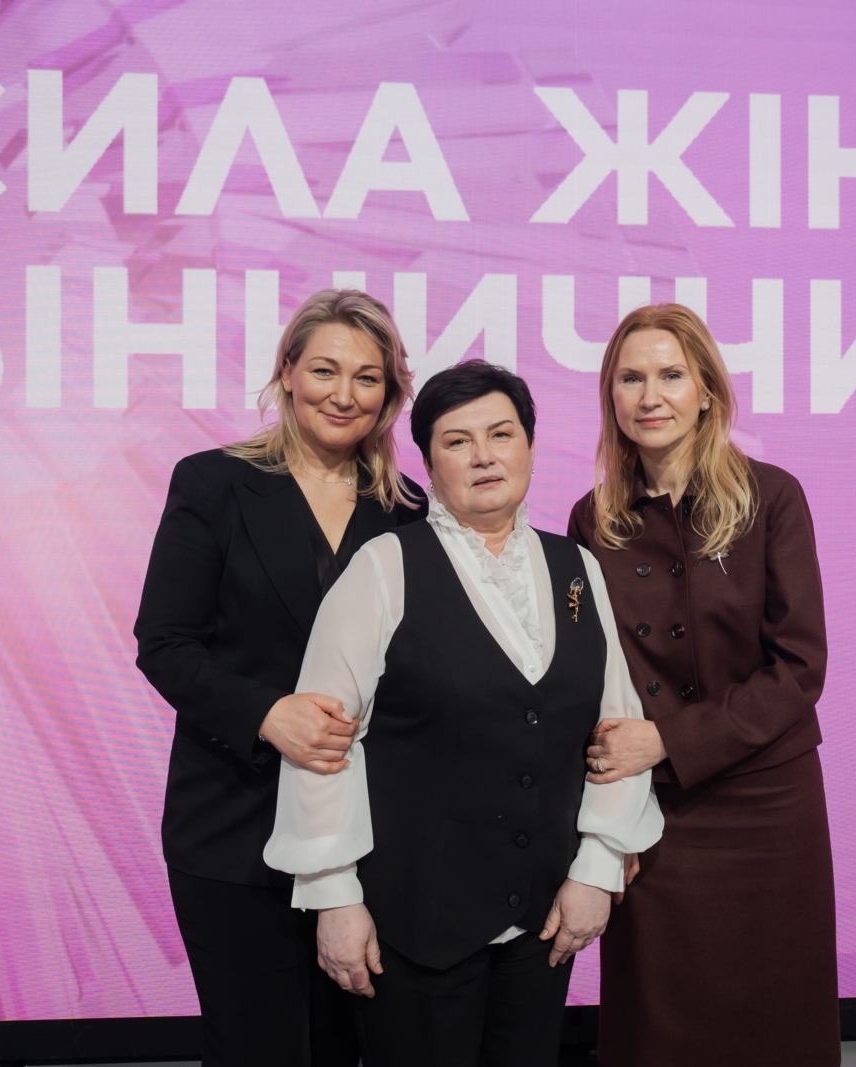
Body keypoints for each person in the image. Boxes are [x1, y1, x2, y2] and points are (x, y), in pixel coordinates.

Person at [264, 360, 663, 1067]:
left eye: (501, 434)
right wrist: (333, 895)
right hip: (411, 925)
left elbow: (617, 731)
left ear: (530, 447)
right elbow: (323, 745)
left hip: (545, 918)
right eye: (457, 441)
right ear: (427, 462)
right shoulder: (384, 566)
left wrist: (597, 868)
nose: (484, 456)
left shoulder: (578, 568)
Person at [134, 289, 425, 1067]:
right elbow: (164, 643)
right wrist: (267, 713)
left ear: (391, 394)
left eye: (367, 377)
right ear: (287, 372)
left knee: (344, 1051)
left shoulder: (407, 512)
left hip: (363, 840)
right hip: (235, 829)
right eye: (325, 369)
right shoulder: (213, 483)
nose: (344, 393)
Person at [569, 304, 839, 1067]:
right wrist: (600, 822)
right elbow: (593, 675)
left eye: (670, 375)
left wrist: (667, 739)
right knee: (659, 1023)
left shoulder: (771, 497)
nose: (650, 395)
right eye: (631, 378)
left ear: (707, 392)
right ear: (611, 397)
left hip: (767, 805)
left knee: (776, 1021)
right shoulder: (593, 520)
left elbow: (800, 666)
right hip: (656, 811)